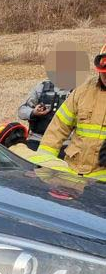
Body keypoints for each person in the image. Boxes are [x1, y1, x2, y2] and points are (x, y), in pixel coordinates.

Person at [33, 44, 106, 180]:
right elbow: (58, 129)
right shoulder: (82, 92)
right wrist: (43, 165)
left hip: (101, 185)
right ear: (99, 70)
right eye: (105, 73)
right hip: (71, 175)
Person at [18, 79, 71, 151]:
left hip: (64, 143)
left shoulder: (77, 91)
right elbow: (22, 111)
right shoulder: (42, 87)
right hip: (37, 139)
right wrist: (33, 112)